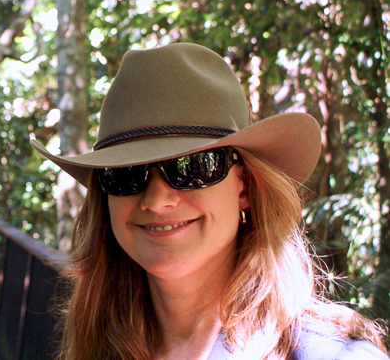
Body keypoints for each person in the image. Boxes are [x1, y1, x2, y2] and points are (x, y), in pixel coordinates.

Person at [30, 43, 389, 359]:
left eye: (193, 167)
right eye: (124, 174)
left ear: (244, 187)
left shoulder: (332, 355)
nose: (156, 199)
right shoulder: (99, 346)